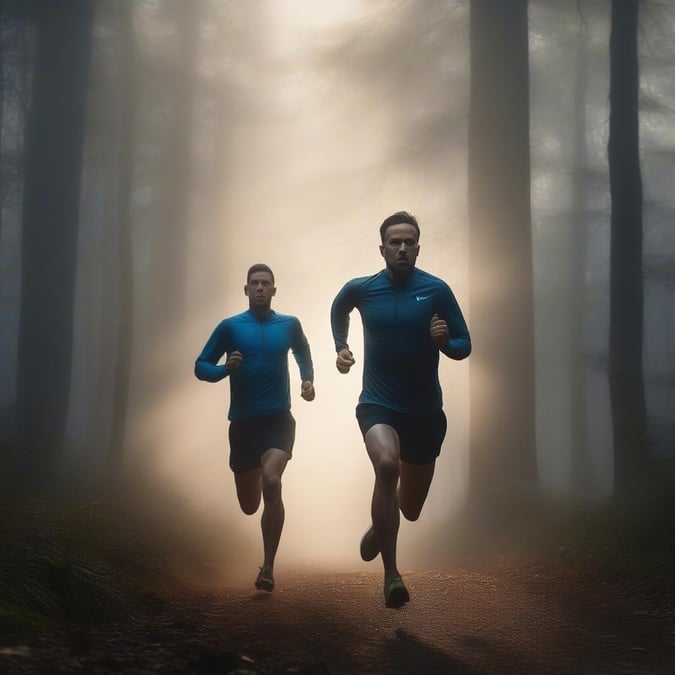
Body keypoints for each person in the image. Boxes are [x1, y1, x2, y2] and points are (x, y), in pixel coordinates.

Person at [330, 211, 471, 608]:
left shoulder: (437, 290)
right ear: (382, 248)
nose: (403, 248)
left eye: (410, 242)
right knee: (387, 466)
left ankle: (381, 527)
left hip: (425, 413)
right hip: (377, 405)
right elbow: (339, 306)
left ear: (418, 248)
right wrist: (341, 346)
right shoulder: (363, 289)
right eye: (395, 242)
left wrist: (445, 342)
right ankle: (392, 575)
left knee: (409, 509)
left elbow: (465, 344)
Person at [195, 263, 315, 592]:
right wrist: (224, 369)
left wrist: (307, 380)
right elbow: (200, 366)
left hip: (278, 421)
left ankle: (268, 567)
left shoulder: (289, 324)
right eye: (254, 283)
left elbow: (303, 351)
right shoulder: (230, 328)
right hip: (243, 425)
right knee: (249, 506)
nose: (260, 288)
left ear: (274, 290)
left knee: (273, 482)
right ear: (245, 290)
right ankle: (256, 478)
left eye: (266, 283)